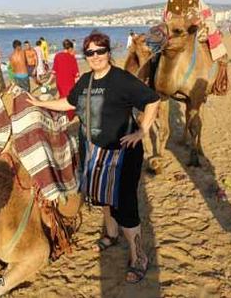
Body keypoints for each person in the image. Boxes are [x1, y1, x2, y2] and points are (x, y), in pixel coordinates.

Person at [27, 30, 160, 284]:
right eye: (90, 52)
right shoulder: (86, 80)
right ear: (85, 55)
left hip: (123, 154)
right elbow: (69, 102)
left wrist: (142, 131)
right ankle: (111, 235)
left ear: (108, 52)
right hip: (96, 151)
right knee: (103, 198)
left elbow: (152, 100)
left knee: (126, 207)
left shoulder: (121, 79)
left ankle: (139, 257)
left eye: (101, 51)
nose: (96, 56)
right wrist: (39, 104)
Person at [48, 39, 79, 120]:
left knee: (62, 97)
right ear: (70, 48)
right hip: (69, 83)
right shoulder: (72, 58)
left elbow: (54, 72)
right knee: (70, 100)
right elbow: (76, 75)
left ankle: (61, 115)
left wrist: (48, 82)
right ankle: (69, 118)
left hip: (60, 83)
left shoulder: (57, 56)